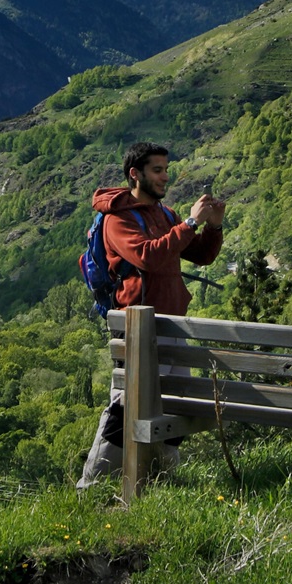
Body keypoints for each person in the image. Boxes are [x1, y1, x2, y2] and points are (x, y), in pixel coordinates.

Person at [77, 141, 224, 488]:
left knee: (175, 403)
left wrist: (213, 227)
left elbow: (200, 255)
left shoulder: (165, 215)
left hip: (170, 323)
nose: (165, 177)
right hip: (138, 327)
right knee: (126, 406)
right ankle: (91, 485)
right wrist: (190, 221)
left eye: (165, 170)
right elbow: (147, 256)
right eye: (157, 170)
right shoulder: (119, 219)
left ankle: (160, 478)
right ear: (135, 174)